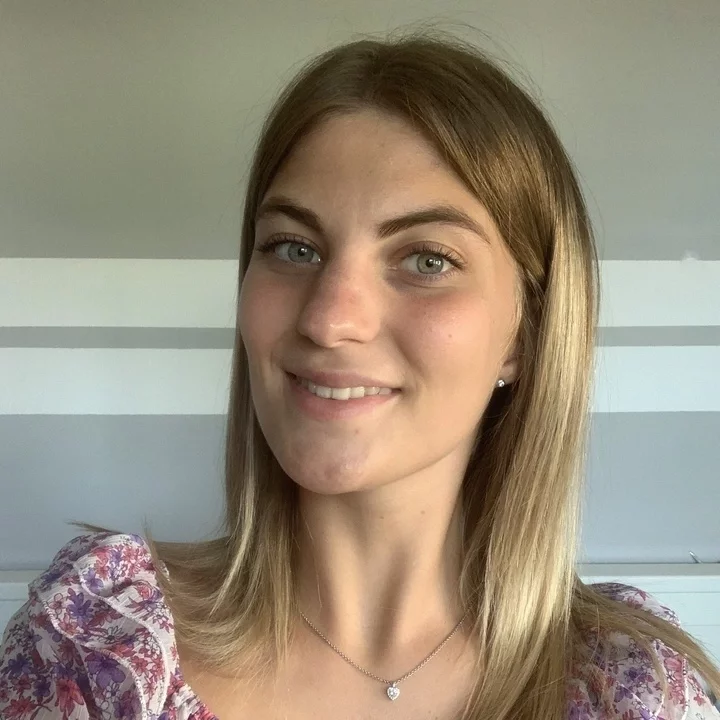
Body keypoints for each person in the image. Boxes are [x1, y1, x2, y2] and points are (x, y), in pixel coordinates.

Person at [1, 29, 719, 720]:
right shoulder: (95, 653)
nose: (328, 320)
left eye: (427, 260)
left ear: (523, 336)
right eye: (294, 248)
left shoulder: (632, 693)